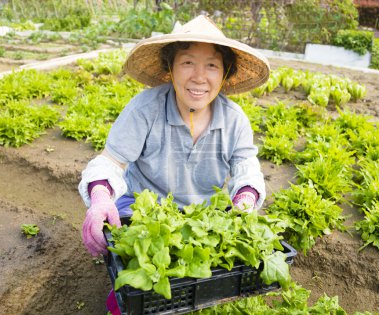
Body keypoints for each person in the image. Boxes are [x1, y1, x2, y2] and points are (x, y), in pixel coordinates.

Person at [78, 15, 269, 313]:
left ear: (225, 73)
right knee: (134, 275)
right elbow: (110, 161)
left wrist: (245, 198)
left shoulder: (235, 120)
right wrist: (100, 197)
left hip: (203, 216)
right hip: (143, 206)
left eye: (212, 65)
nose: (199, 77)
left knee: (207, 278)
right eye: (188, 62)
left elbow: (248, 168)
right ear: (170, 67)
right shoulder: (145, 108)